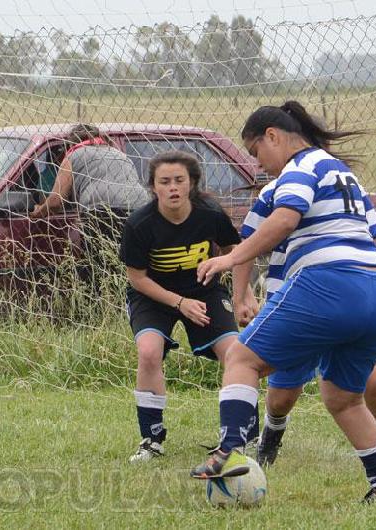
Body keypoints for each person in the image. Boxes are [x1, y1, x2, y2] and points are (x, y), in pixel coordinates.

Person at [189, 101, 376, 503]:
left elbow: (285, 220)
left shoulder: (299, 169)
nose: (259, 165)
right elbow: (374, 234)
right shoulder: (343, 174)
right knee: (343, 398)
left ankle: (229, 451)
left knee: (240, 358)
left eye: (256, 153)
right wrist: (242, 291)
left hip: (327, 284)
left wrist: (230, 258)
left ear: (273, 135)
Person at [232, 179, 376, 472]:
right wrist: (241, 296)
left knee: (374, 381)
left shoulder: (348, 186)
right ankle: (269, 441)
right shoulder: (276, 191)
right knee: (281, 399)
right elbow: (247, 243)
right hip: (294, 302)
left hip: (344, 297)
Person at [118, 150, 255, 463]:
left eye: (179, 180)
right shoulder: (140, 224)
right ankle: (152, 439)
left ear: (192, 183)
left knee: (235, 352)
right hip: (153, 296)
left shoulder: (210, 214)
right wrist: (180, 303)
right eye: (164, 181)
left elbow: (236, 252)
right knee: (149, 352)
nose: (172, 187)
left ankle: (242, 437)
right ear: (153, 187)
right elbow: (137, 279)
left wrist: (242, 294)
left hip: (204, 292)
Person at [29, 123, 149, 218]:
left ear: (71, 143)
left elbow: (55, 202)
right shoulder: (120, 154)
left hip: (101, 209)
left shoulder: (74, 155)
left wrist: (39, 212)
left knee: (98, 248)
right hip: (140, 207)